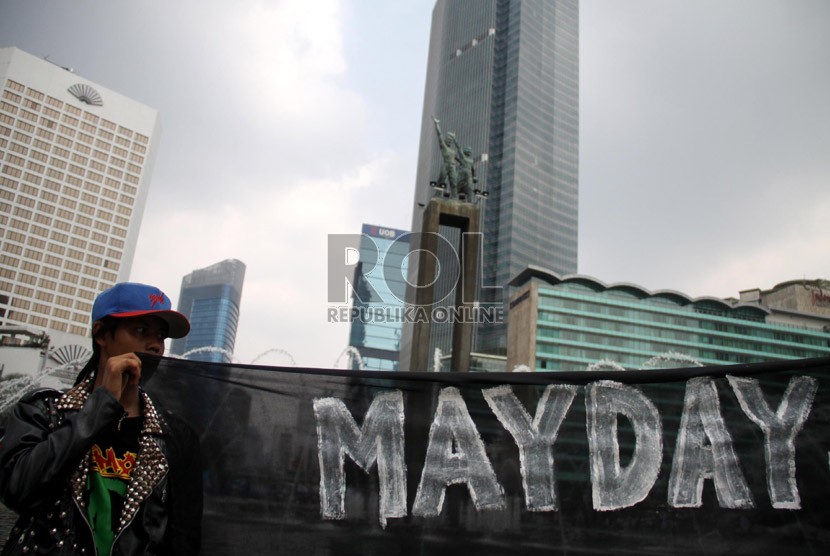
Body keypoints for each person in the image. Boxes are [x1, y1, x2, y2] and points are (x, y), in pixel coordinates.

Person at [0, 282, 202, 555]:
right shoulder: (45, 410)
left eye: (161, 336)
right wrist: (101, 404)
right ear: (101, 335)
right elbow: (18, 490)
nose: (155, 345)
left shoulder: (175, 435)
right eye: (141, 331)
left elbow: (184, 538)